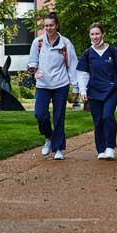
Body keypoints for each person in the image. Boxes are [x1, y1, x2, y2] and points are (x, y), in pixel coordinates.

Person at [27, 12, 79, 160]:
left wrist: (75, 87)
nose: (48, 28)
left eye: (51, 25)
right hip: (43, 85)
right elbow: (32, 62)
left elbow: (73, 66)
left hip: (60, 85)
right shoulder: (38, 43)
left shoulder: (66, 43)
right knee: (40, 114)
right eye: (46, 26)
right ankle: (49, 137)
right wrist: (33, 69)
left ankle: (58, 149)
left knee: (59, 117)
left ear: (57, 25)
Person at [76, 22, 117, 160]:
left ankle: (110, 147)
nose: (94, 37)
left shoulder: (113, 51)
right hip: (94, 91)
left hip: (112, 90)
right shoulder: (87, 54)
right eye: (92, 34)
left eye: (97, 33)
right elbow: (82, 74)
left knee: (107, 116)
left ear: (103, 34)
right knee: (98, 120)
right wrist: (82, 90)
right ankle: (101, 149)